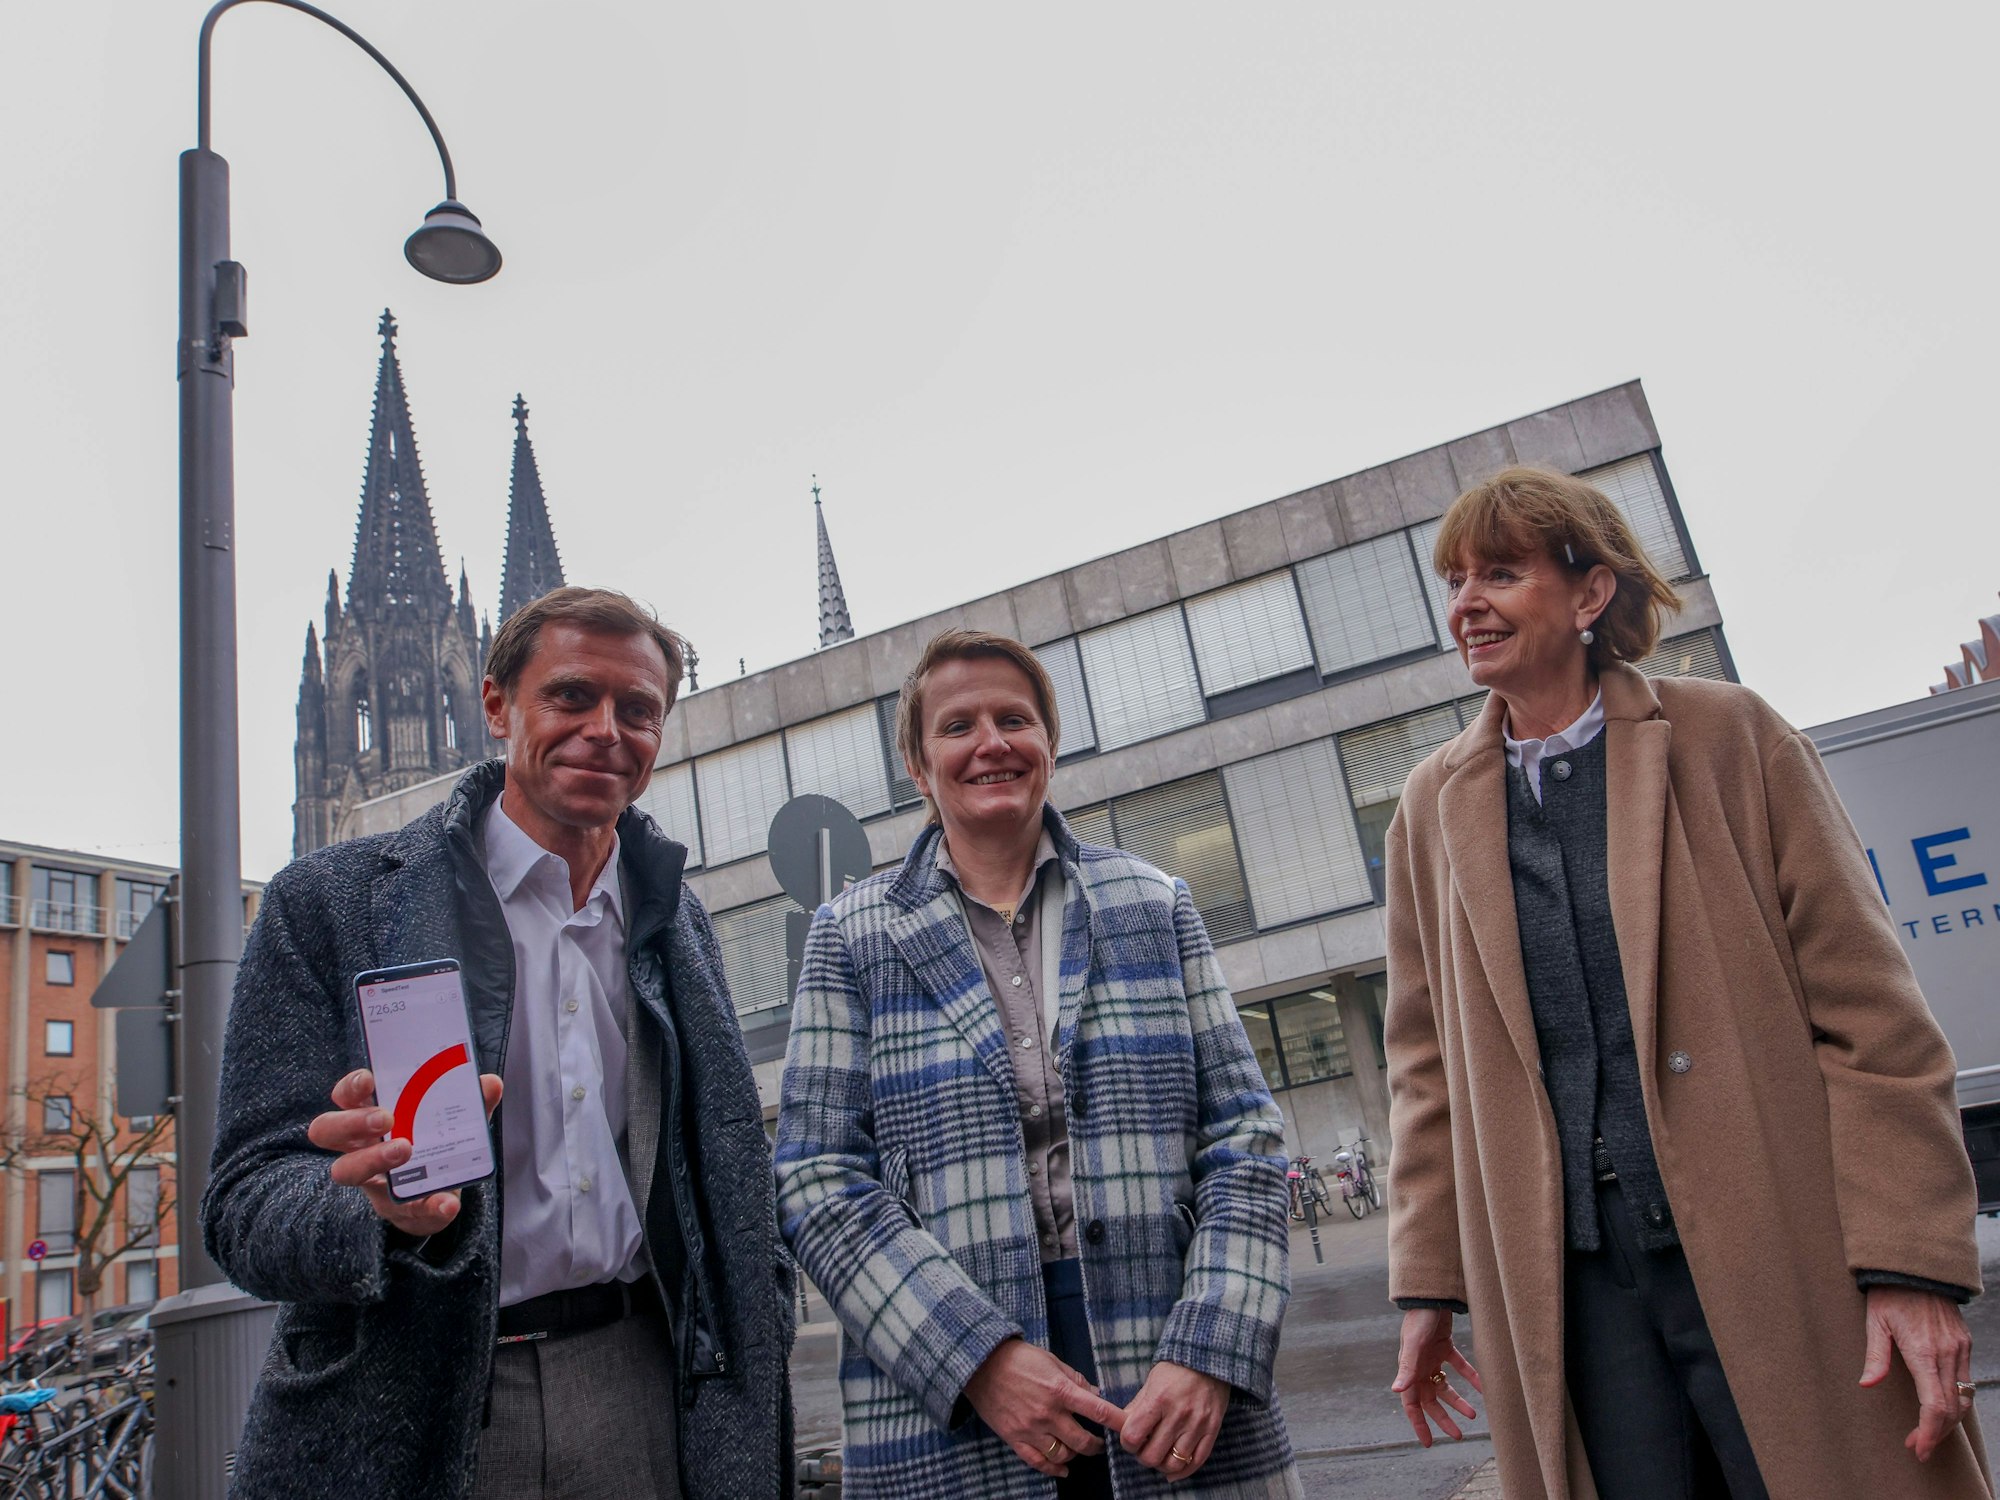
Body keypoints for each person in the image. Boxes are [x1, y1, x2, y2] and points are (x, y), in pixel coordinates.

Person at [1382, 466, 1989, 1499]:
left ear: (1588, 595)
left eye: (1498, 573)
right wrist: (1427, 1284)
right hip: (1572, 1290)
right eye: (1453, 581)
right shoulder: (1427, 807)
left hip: (1775, 1247)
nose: (1464, 604)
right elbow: (1423, 1069)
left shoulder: (1729, 739)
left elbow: (1871, 1019)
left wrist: (1908, 1263)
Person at [203, 587, 795, 1500]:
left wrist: (768, 1305)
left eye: (637, 709)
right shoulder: (328, 904)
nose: (605, 729)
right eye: (569, 697)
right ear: (493, 706)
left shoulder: (676, 919)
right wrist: (373, 1212)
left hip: (642, 1389)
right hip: (414, 1399)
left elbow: (728, 1169)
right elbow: (243, 1206)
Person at [774, 629, 1301, 1499]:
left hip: (1166, 1369)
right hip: (949, 1399)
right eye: (958, 726)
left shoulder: (1153, 904)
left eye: (1014, 719)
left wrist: (1211, 1349)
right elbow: (818, 1178)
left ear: (1049, 744)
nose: (991, 743)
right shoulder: (850, 938)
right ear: (917, 762)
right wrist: (975, 1358)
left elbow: (1244, 1137)